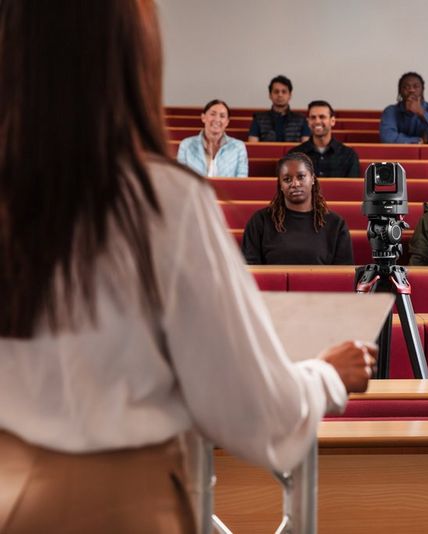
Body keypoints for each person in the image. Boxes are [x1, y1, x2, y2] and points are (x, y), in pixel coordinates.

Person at [0, 1, 374, 531]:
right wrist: (325, 376)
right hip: (120, 506)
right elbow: (253, 412)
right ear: (132, 60)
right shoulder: (162, 201)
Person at [241, 153, 354, 265]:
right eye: (287, 179)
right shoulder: (260, 221)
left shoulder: (336, 224)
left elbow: (343, 274)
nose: (295, 184)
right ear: (280, 184)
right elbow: (249, 270)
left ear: (313, 179)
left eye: (301, 177)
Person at [176, 99, 248, 177]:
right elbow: (180, 177)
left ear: (227, 122)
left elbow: (242, 180)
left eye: (222, 116)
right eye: (213, 114)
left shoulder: (238, 147)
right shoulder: (186, 145)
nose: (217, 119)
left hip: (227, 189)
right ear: (203, 117)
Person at [288, 100, 360, 177]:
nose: (317, 121)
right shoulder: (295, 155)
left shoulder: (348, 155)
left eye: (322, 117)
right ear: (308, 122)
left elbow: (351, 187)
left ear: (332, 121)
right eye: (313, 117)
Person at [379, 72, 428, 144]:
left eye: (416, 87)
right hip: (396, 154)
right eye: (406, 87)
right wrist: (419, 140)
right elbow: (387, 138)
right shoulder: (390, 111)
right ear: (400, 91)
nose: (411, 90)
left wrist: (422, 113)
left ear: (422, 90)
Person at [247, 75, 310, 142]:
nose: (280, 95)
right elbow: (253, 145)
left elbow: (306, 147)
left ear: (290, 95)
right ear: (270, 95)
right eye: (276, 91)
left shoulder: (301, 119)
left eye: (284, 92)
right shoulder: (258, 119)